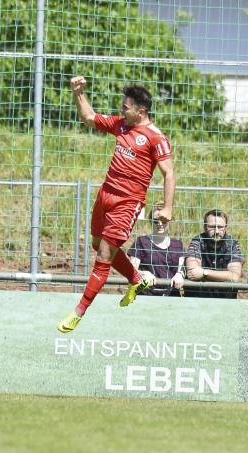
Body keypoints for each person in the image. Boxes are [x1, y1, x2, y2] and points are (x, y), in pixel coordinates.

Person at [58, 76, 176, 333]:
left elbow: (169, 172)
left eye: (126, 107)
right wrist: (78, 93)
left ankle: (79, 311)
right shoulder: (122, 125)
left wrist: (167, 208)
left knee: (104, 255)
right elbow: (89, 117)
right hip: (105, 194)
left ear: (140, 111)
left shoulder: (156, 137)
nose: (121, 110)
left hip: (127, 203)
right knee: (96, 243)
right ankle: (136, 278)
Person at [127, 201, 185, 297]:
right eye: (155, 221)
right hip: (146, 295)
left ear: (170, 220)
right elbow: (131, 269)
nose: (159, 224)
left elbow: (182, 269)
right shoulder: (141, 242)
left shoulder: (178, 245)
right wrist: (144, 273)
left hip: (172, 297)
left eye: (164, 220)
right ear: (150, 221)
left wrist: (180, 275)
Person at [184, 209, 244, 299]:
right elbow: (192, 272)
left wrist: (205, 273)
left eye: (220, 227)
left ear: (226, 227)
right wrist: (224, 276)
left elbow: (234, 276)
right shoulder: (197, 241)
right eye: (212, 227)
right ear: (205, 227)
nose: (216, 231)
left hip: (225, 301)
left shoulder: (232, 244)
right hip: (198, 300)